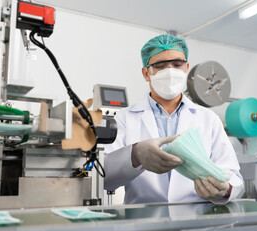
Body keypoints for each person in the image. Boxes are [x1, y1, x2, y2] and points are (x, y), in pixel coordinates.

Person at [104, 34, 244, 205]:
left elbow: (233, 176)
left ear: (186, 68)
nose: (170, 71)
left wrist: (225, 190)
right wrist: (135, 155)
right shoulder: (124, 118)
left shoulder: (208, 118)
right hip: (143, 221)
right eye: (160, 66)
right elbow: (105, 178)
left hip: (196, 220)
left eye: (177, 64)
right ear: (146, 73)